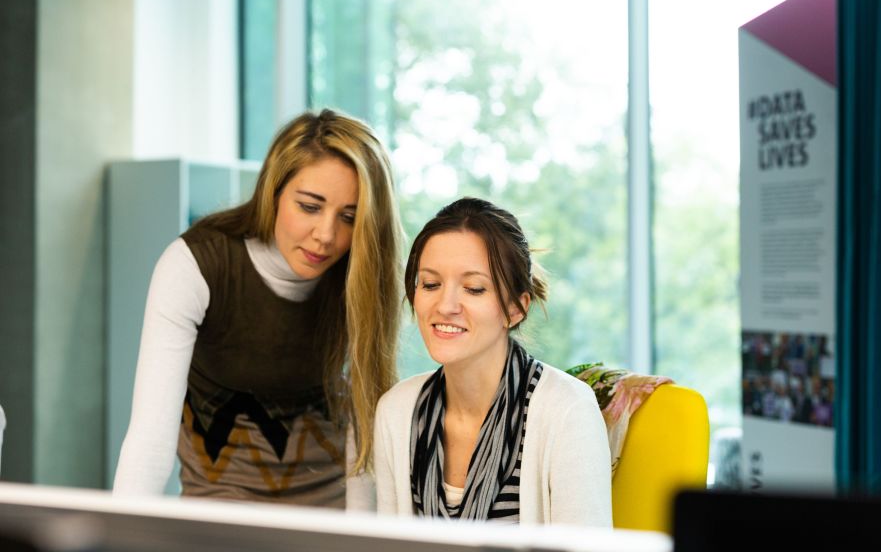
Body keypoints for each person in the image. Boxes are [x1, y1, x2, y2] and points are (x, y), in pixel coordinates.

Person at [113, 109, 403, 508]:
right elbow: (150, 438)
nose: (326, 236)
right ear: (274, 190)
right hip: (218, 512)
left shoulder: (363, 269)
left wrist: (358, 539)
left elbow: (364, 444)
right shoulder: (193, 265)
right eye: (309, 206)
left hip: (328, 514)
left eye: (349, 217)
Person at [374, 197, 611, 525]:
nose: (445, 305)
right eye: (430, 284)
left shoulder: (568, 411)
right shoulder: (396, 411)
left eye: (473, 288)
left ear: (516, 308)